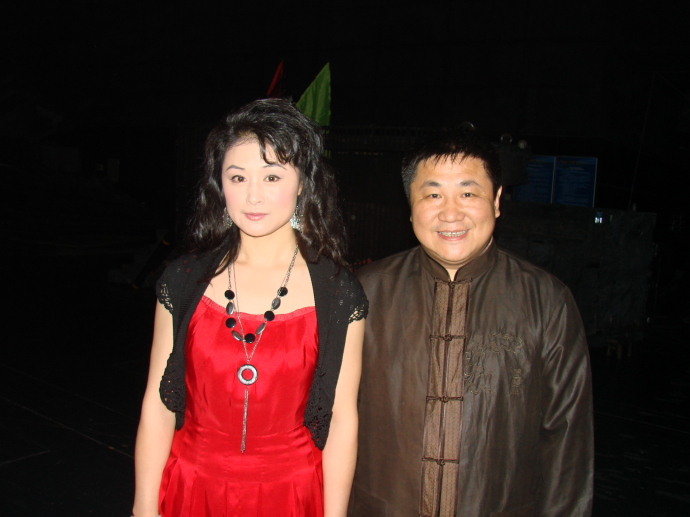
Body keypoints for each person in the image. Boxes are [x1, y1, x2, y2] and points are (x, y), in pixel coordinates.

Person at [133, 99, 367, 517]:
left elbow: (341, 419)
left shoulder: (337, 292)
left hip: (292, 494)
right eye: (238, 177)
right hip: (192, 488)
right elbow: (158, 404)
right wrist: (144, 508)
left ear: (303, 183)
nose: (253, 196)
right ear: (219, 185)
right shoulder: (183, 280)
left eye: (272, 176)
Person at [349, 128, 593, 516]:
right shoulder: (363, 294)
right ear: (410, 206)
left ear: (496, 201)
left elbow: (567, 442)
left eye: (468, 193)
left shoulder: (547, 301)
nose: (451, 213)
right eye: (433, 195)